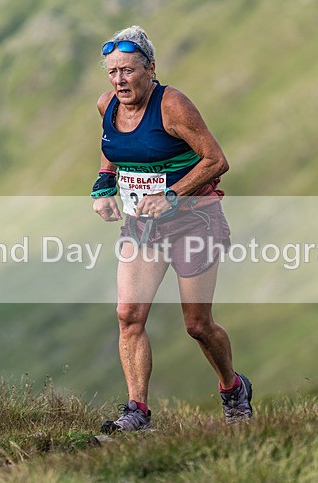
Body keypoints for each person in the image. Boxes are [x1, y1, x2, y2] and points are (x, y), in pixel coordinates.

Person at [90, 26, 252, 432]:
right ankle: (137, 411)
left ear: (151, 69)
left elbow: (216, 160)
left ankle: (233, 388)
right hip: (143, 227)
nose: (120, 81)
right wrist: (104, 185)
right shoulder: (107, 104)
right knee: (129, 315)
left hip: (193, 220)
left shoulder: (173, 106)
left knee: (197, 325)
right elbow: (113, 147)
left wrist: (173, 195)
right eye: (112, 72)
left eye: (128, 71)